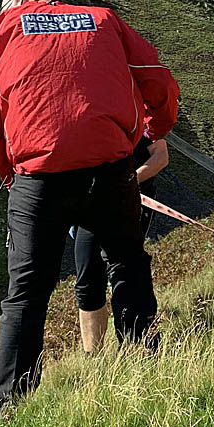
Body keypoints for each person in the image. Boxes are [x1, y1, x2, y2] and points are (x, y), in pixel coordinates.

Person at [0, 0, 179, 407]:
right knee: (128, 263)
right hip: (110, 169)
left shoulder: (1, 28)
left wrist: (9, 170)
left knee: (27, 291)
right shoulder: (103, 19)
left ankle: (8, 406)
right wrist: (154, 129)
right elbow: (157, 78)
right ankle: (146, 373)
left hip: (38, 178)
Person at [72, 133, 168, 354]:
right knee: (87, 278)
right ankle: (93, 359)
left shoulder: (142, 115)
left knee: (125, 269)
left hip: (131, 198)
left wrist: (127, 182)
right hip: (90, 202)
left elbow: (161, 156)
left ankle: (137, 350)